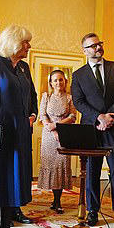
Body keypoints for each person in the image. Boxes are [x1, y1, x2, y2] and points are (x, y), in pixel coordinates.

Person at [71, 33, 114, 226]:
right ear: (85, 51)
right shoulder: (79, 75)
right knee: (92, 169)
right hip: (91, 128)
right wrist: (99, 117)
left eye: (99, 44)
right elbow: (78, 102)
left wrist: (110, 116)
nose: (98, 48)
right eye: (93, 46)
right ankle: (93, 211)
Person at [0, 25, 38, 228]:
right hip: (0, 133)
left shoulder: (24, 68)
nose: (28, 46)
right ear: (13, 43)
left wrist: (33, 114)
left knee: (14, 181)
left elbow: (32, 97)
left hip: (21, 134)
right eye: (25, 42)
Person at [37, 70, 77, 213]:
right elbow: (42, 115)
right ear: (51, 83)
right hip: (49, 136)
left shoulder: (69, 98)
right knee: (51, 166)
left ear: (65, 81)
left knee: (61, 165)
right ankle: (54, 200)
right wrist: (53, 130)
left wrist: (59, 126)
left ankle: (58, 201)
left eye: (61, 80)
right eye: (55, 80)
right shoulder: (46, 97)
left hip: (64, 134)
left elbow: (73, 116)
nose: (58, 82)